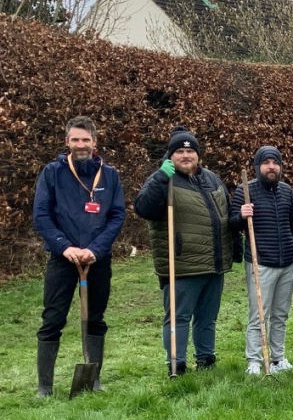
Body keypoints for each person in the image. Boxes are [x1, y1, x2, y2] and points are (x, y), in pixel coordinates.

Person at [32, 115, 126, 396]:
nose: (81, 144)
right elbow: (41, 215)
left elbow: (117, 215)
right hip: (63, 259)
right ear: (67, 142)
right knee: (52, 319)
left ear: (94, 142)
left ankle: (93, 379)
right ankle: (44, 387)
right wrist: (65, 246)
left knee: (96, 318)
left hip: (97, 259)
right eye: (75, 139)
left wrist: (95, 249)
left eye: (86, 139)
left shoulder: (109, 175)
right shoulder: (52, 173)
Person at [134, 126, 236, 376]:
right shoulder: (163, 179)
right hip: (181, 264)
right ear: (171, 156)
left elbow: (226, 214)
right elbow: (143, 208)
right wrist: (160, 178)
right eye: (179, 151)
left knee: (207, 317)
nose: (185, 156)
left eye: (190, 151)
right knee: (179, 317)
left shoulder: (212, 178)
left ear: (198, 155)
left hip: (213, 263)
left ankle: (206, 359)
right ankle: (176, 363)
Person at [230, 146, 293, 375]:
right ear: (258, 166)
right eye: (266, 162)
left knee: (280, 314)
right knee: (259, 314)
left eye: (275, 162)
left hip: (288, 263)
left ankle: (278, 358)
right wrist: (241, 215)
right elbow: (231, 224)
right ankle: (254, 359)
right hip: (261, 262)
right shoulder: (246, 191)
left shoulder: (286, 191)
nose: (271, 167)